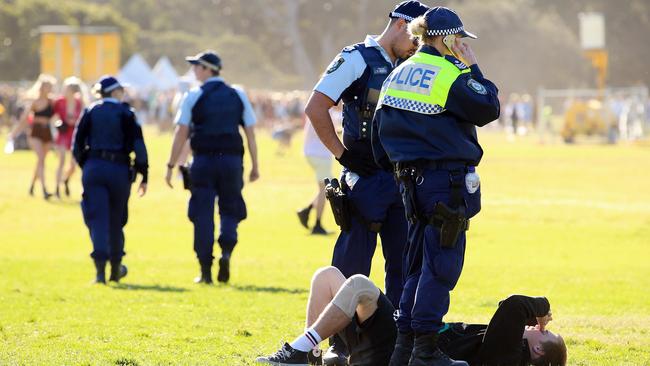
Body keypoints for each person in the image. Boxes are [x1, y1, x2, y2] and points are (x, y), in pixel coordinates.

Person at [372, 7, 500, 365]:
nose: (462, 45)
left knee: (414, 265)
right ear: (446, 38)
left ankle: (404, 349)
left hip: (408, 184)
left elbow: (378, 139)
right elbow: (489, 107)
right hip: (446, 184)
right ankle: (426, 351)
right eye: (459, 39)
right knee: (440, 266)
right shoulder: (449, 74)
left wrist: (399, 173)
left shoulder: (397, 74)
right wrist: (472, 66)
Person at [304, 2, 429, 363]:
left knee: (403, 265)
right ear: (401, 24)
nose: (418, 45)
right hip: (364, 181)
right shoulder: (356, 58)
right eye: (415, 36)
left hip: (401, 180)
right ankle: (339, 346)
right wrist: (342, 154)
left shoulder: (411, 64)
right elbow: (316, 106)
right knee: (350, 267)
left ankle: (392, 345)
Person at [255, 267, 567, 366]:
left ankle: (297, 351)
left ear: (537, 349)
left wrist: (541, 306)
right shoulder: (505, 345)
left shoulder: (509, 358)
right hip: (399, 340)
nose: (541, 326)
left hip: (396, 352)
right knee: (327, 277)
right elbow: (506, 310)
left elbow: (512, 307)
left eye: (546, 332)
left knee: (360, 286)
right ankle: (309, 355)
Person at [165, 51, 259, 284]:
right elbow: (250, 132)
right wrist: (255, 165)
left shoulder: (193, 95)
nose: (195, 71)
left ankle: (205, 269)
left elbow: (181, 132)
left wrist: (170, 164)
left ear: (208, 69)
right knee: (230, 209)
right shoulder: (237, 94)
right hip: (231, 161)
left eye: (197, 67)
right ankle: (226, 251)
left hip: (203, 162)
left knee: (202, 214)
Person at [72, 76, 148, 284]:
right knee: (116, 219)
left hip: (94, 168)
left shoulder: (91, 111)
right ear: (115, 92)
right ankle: (115, 268)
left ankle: (99, 273)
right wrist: (144, 174)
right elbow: (139, 146)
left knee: (97, 219)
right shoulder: (127, 113)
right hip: (119, 170)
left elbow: (77, 144)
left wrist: (87, 166)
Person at [8, 74, 58, 199]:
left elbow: (57, 115)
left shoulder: (53, 102)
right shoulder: (35, 102)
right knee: (41, 158)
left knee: (41, 161)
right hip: (35, 133)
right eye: (47, 86)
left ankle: (32, 185)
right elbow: (24, 119)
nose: (49, 89)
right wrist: (14, 133)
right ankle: (44, 189)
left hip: (47, 133)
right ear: (42, 87)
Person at [297, 116, 334, 235]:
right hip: (320, 153)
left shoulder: (319, 105)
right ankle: (317, 225)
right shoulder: (327, 109)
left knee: (326, 188)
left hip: (313, 152)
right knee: (326, 189)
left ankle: (306, 210)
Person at [53, 77, 85, 198]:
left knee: (73, 164)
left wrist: (74, 121)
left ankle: (65, 179)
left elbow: (82, 118)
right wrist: (58, 124)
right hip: (63, 133)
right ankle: (57, 189)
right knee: (61, 161)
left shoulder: (79, 102)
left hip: (74, 134)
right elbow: (53, 116)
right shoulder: (59, 102)